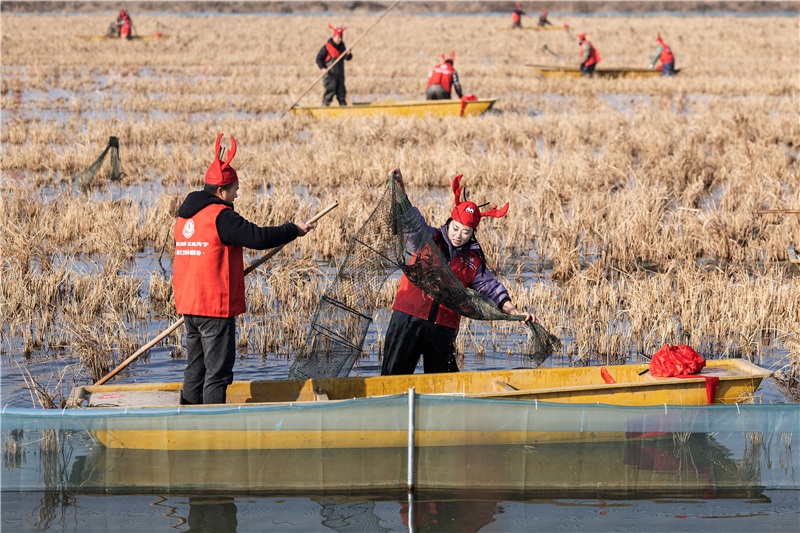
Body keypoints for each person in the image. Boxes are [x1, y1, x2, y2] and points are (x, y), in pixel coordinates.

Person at [173, 133, 314, 404]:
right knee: (218, 374)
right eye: (235, 189)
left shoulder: (185, 216)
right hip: (213, 307)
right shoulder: (221, 215)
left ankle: (189, 421)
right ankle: (213, 429)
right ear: (221, 191)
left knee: (195, 369)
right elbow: (258, 238)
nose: (237, 194)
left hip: (190, 305)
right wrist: (293, 230)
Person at [381, 169, 535, 376]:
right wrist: (400, 186)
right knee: (393, 378)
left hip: (443, 328)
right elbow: (410, 220)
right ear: (449, 222)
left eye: (465, 232)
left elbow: (491, 289)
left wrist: (515, 312)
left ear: (473, 233)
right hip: (408, 318)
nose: (458, 236)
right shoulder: (427, 239)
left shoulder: (473, 261)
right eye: (455, 228)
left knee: (442, 385)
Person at [316, 25, 352, 106]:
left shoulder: (342, 46)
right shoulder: (327, 47)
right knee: (329, 93)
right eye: (338, 37)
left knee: (342, 94)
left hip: (340, 76)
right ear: (333, 36)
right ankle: (324, 109)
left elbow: (347, 58)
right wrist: (323, 68)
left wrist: (348, 54)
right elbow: (318, 59)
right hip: (330, 76)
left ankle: (344, 109)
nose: (339, 39)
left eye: (341, 38)